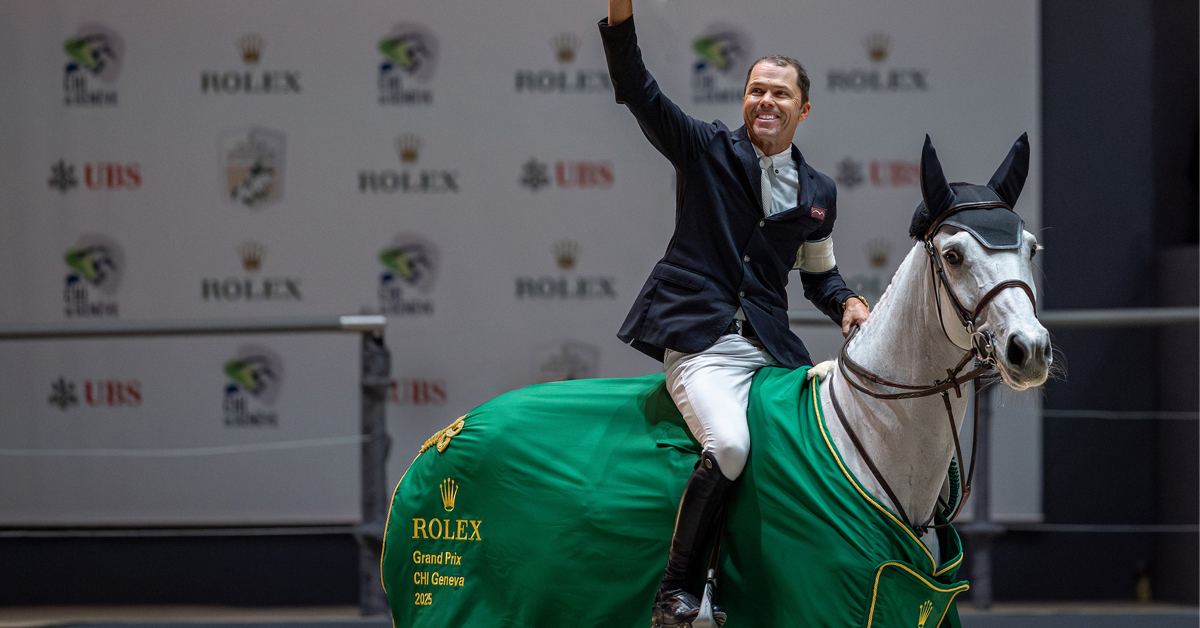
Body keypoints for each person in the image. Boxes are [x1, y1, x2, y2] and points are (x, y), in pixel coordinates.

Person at [599, 1, 870, 625]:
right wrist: (620, 15)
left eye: (779, 93)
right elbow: (638, 90)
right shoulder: (704, 147)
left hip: (772, 354)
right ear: (744, 99)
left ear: (803, 110)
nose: (765, 102)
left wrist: (849, 302)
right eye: (755, 91)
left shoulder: (819, 192)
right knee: (730, 443)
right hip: (701, 342)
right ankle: (676, 593)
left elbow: (819, 274)